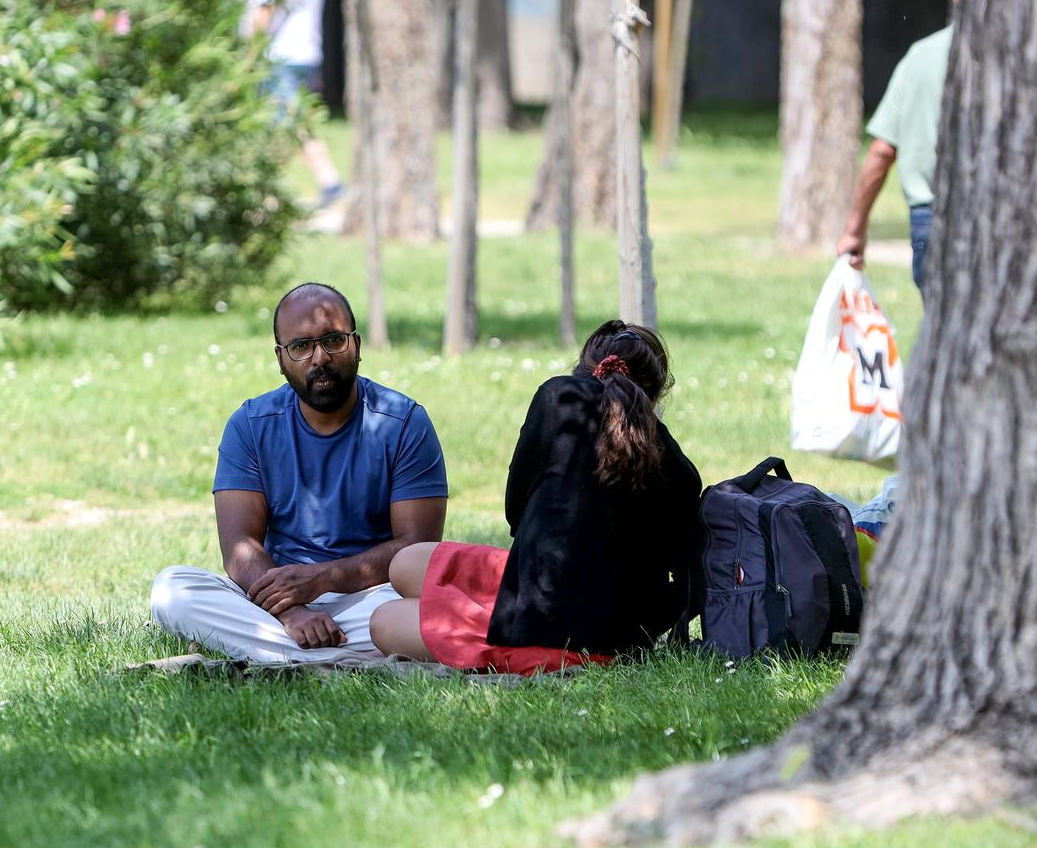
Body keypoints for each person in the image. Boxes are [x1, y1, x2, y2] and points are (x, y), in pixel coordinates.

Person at [370, 321, 702, 675]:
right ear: (655, 394)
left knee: (384, 620)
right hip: (597, 622)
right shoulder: (681, 472)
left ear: (585, 368)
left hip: (550, 637)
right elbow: (682, 581)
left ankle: (490, 631)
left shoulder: (558, 397)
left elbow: (516, 512)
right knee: (406, 562)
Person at [150, 283, 449, 662]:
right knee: (171, 590)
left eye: (334, 340)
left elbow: (416, 547)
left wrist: (323, 579)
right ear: (280, 358)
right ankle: (334, 652)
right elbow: (240, 546)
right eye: (301, 346)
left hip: (374, 595)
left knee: (420, 609)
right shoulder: (251, 424)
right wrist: (293, 613)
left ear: (356, 345)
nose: (319, 357)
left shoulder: (404, 422)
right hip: (276, 600)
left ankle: (277, 652)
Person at [835, 0, 959, 295]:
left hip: (929, 218)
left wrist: (855, 229)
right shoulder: (1020, 61)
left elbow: (882, 150)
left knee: (941, 322)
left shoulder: (920, 57)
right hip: (1003, 213)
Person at [248, 0, 344, 208]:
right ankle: (329, 181)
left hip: (279, 55)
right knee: (296, 121)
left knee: (279, 125)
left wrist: (250, 48)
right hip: (305, 52)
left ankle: (267, 194)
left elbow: (266, 6)